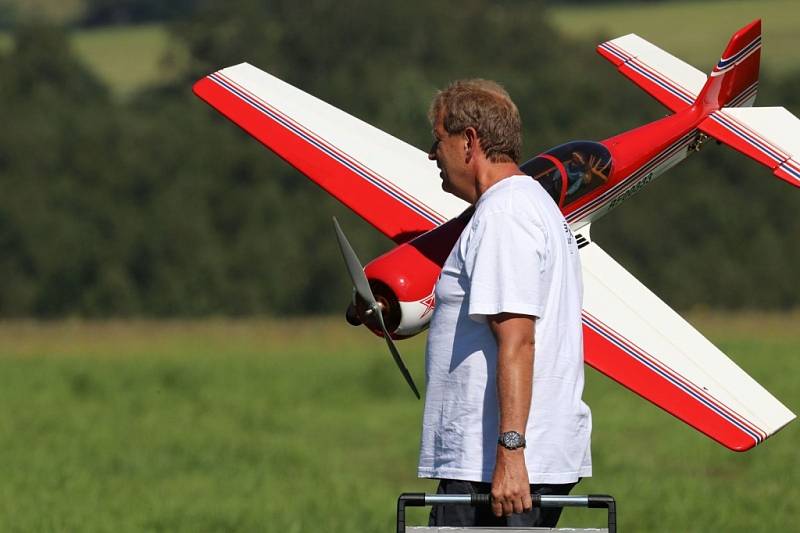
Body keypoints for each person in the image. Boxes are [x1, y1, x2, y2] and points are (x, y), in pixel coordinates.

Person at [418, 79, 592, 528]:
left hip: (495, 472)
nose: (431, 153)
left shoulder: (504, 214)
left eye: (438, 140)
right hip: (502, 466)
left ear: (469, 141)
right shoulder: (529, 205)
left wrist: (511, 454)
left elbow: (517, 339)